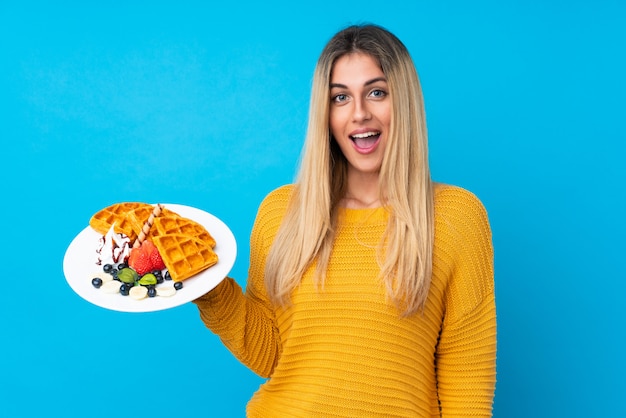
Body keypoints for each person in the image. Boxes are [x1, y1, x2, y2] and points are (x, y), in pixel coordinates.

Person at [194, 23, 496, 417]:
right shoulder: (281, 212)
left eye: (376, 92)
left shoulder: (456, 217)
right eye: (340, 98)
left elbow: (466, 384)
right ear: (326, 112)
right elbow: (270, 354)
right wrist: (204, 284)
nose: (359, 114)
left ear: (403, 101)